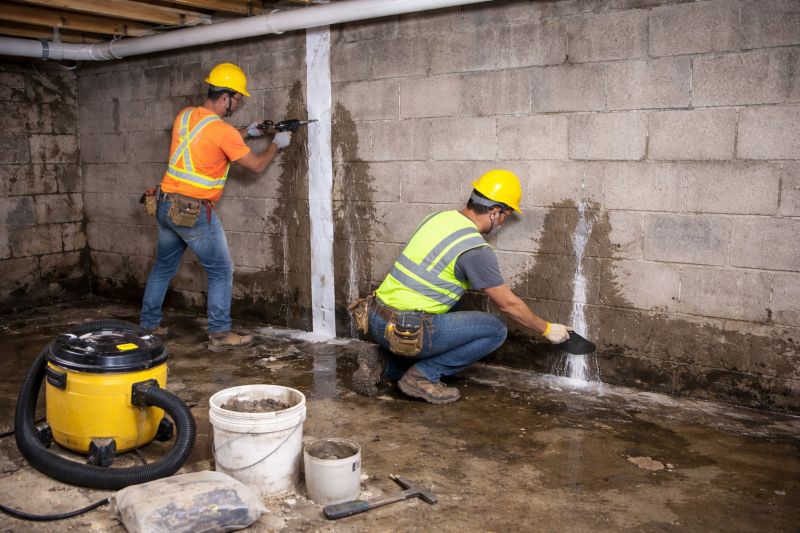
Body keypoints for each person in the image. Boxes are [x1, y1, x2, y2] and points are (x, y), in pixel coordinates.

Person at [352, 169, 573, 404]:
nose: (503, 223)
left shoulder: (437, 218)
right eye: (506, 216)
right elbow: (508, 305)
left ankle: (386, 363)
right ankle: (422, 377)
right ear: (494, 211)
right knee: (496, 330)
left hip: (375, 319)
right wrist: (547, 329)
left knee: (453, 304)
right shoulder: (474, 249)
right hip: (406, 331)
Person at [140, 62, 292, 352]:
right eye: (238, 99)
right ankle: (221, 335)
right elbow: (257, 165)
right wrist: (276, 144)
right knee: (221, 270)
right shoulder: (224, 133)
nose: (238, 104)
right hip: (191, 212)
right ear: (226, 96)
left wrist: (247, 132)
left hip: (165, 203)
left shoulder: (185, 116)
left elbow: (207, 137)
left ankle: (149, 325)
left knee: (162, 267)